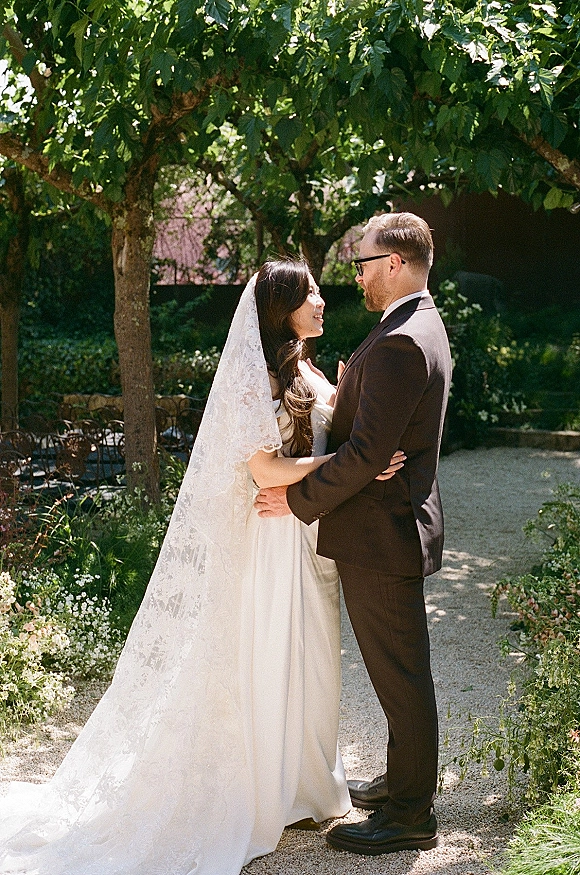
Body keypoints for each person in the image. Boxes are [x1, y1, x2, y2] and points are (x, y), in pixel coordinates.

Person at [0, 259, 403, 875]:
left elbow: (329, 438)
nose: (324, 300)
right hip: (271, 537)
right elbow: (263, 469)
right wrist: (352, 463)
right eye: (311, 293)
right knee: (272, 653)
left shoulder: (306, 367)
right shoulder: (259, 379)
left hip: (305, 533)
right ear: (281, 308)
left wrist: (352, 450)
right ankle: (264, 787)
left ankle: (304, 782)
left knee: (313, 656)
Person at [255, 213, 453, 857]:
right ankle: (401, 784)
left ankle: (409, 815)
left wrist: (295, 500)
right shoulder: (410, 325)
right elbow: (371, 436)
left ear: (395, 263)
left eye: (364, 262)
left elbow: (368, 453)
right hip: (383, 524)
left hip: (383, 530)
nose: (357, 274)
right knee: (398, 672)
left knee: (401, 678)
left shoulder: (402, 338)